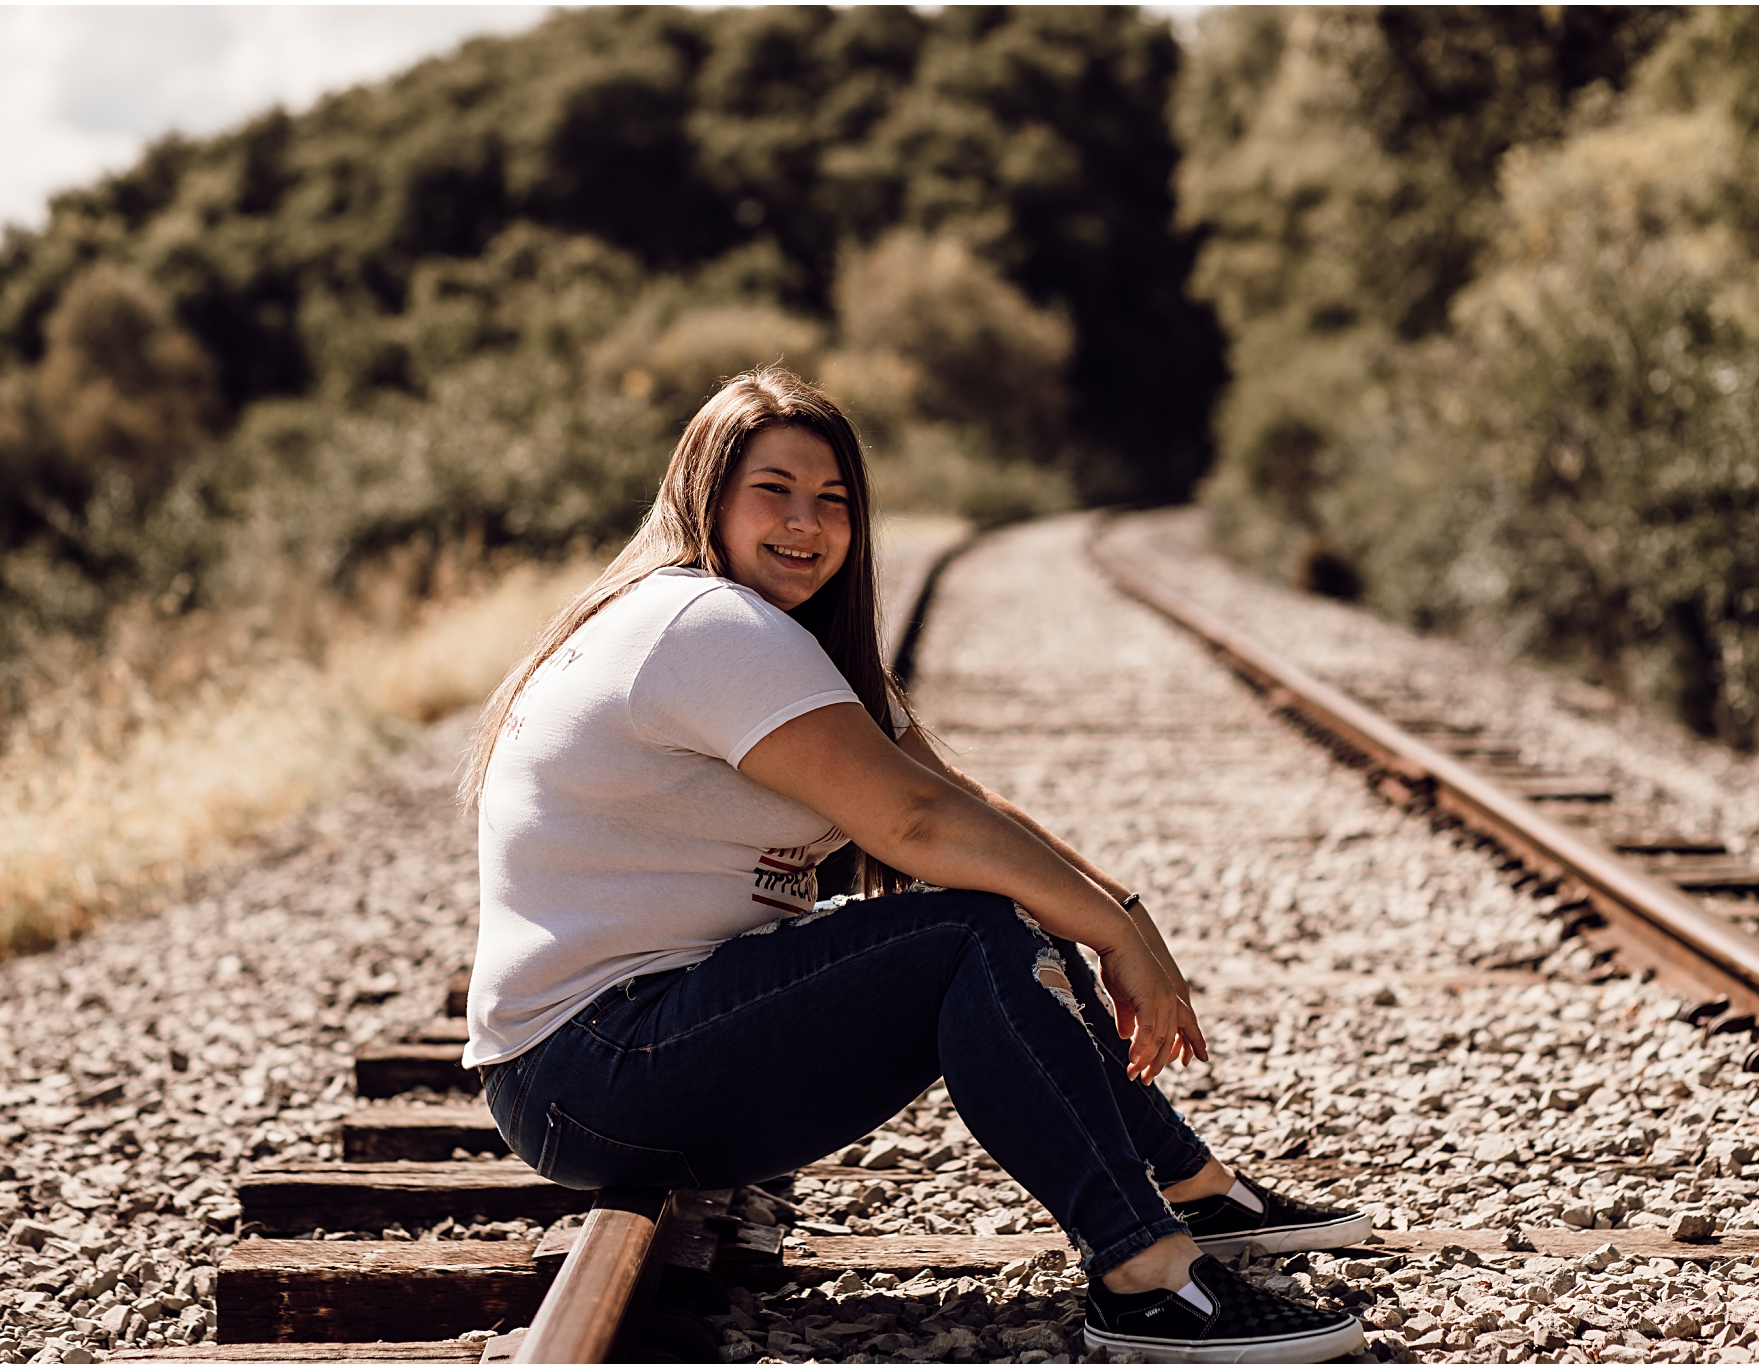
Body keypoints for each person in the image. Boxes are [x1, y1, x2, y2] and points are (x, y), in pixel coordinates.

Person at [460, 369, 1369, 1362]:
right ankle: (1144, 1276)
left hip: (636, 1050)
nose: (804, 523)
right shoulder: (701, 625)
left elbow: (970, 808)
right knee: (963, 930)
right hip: (594, 1067)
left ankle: (1190, 1187)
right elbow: (915, 821)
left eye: (833, 500)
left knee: (995, 908)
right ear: (704, 495)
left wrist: (1121, 909)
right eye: (773, 490)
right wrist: (1113, 932)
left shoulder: (778, 645)